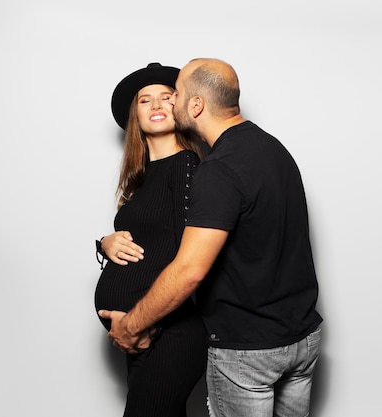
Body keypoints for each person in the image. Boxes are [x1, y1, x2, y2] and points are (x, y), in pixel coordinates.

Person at [99, 58, 323, 417]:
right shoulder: (269, 147)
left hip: (245, 347)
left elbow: (189, 267)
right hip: (295, 335)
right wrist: (106, 244)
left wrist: (132, 327)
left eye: (174, 96)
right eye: (146, 99)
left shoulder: (213, 170)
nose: (165, 104)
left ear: (196, 104)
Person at [94, 62, 208, 417]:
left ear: (183, 106)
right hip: (138, 336)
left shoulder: (188, 167)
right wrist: (104, 244)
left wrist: (144, 324)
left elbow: (193, 258)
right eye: (145, 101)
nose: (157, 105)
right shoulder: (141, 178)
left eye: (166, 97)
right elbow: (148, 238)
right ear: (135, 116)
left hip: (166, 333)